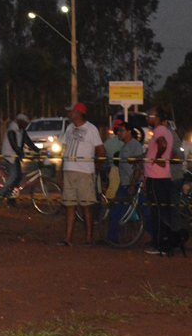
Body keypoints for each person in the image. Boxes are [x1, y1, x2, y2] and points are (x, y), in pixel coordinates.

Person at [58, 102, 104, 246]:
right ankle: (67, 239)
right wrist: (61, 170)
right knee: (69, 205)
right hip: (69, 170)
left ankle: (89, 238)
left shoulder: (91, 129)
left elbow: (101, 152)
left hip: (84, 172)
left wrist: (93, 168)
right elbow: (64, 150)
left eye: (71, 112)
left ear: (77, 113)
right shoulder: (70, 128)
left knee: (86, 206)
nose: (69, 114)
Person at [107, 122, 145, 243]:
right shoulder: (125, 146)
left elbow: (139, 166)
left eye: (121, 130)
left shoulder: (135, 145)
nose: (119, 133)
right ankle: (112, 238)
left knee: (145, 213)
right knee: (117, 211)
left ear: (129, 132)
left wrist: (133, 184)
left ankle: (157, 238)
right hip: (124, 184)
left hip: (133, 184)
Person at [144, 107, 173, 254]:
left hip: (156, 177)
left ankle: (159, 244)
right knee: (162, 211)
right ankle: (165, 242)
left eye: (149, 116)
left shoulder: (159, 131)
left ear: (156, 118)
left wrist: (158, 158)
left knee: (157, 212)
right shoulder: (167, 131)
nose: (147, 118)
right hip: (163, 177)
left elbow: (162, 145)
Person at [0, 114, 39, 202]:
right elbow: (13, 145)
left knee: (19, 176)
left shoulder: (22, 131)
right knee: (13, 176)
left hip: (15, 155)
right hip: (9, 155)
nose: (26, 125)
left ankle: (11, 197)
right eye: (25, 123)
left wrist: (38, 150)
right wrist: (21, 153)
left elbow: (28, 141)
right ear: (20, 122)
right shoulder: (12, 130)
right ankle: (0, 194)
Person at [103, 119, 125, 199]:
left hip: (112, 170)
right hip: (125, 171)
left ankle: (109, 210)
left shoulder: (107, 143)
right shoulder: (126, 143)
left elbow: (103, 159)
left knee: (112, 195)